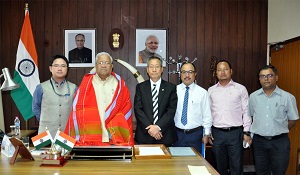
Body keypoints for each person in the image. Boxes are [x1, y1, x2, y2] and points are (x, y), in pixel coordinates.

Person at [65, 52, 134, 146]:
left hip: (114, 137)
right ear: (96, 66)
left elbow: (126, 109)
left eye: (107, 63)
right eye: (100, 63)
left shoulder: (120, 85)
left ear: (112, 66)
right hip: (91, 136)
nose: (104, 66)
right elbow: (78, 111)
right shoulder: (86, 84)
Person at [248, 65, 299, 175]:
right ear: (259, 79)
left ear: (276, 77)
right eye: (262, 76)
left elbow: (293, 119)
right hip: (259, 142)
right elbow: (251, 116)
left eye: (269, 75)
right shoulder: (253, 97)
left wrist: (279, 129)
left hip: (280, 142)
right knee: (261, 172)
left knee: (279, 172)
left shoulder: (288, 97)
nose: (266, 79)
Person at [208, 60, 252, 175]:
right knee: (219, 167)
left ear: (231, 71)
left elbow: (246, 111)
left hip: (235, 133)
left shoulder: (240, 89)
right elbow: (208, 112)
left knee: (236, 167)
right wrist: (208, 131)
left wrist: (246, 132)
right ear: (216, 73)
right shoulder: (211, 90)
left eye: (225, 69)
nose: (222, 72)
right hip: (217, 134)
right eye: (219, 70)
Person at [134, 56, 178, 147]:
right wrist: (151, 129)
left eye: (157, 67)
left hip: (165, 135)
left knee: (165, 161)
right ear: (147, 69)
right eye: (151, 67)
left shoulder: (171, 88)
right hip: (145, 135)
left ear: (162, 69)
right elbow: (138, 109)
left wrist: (158, 127)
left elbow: (171, 111)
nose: (154, 70)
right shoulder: (141, 87)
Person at [32, 55, 77, 138]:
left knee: (67, 151)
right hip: (45, 133)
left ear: (67, 69)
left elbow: (77, 109)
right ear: (50, 68)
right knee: (43, 151)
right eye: (56, 66)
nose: (60, 69)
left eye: (63, 66)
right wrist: (44, 120)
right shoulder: (41, 87)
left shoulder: (74, 88)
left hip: (67, 133)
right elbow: (35, 107)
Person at [173, 62, 212, 154]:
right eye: (184, 72)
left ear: (195, 74)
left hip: (196, 135)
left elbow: (207, 115)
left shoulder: (202, 92)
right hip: (177, 134)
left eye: (190, 72)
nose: (187, 75)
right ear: (180, 74)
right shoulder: (174, 91)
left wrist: (206, 134)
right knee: (177, 164)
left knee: (195, 165)